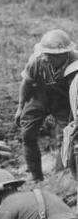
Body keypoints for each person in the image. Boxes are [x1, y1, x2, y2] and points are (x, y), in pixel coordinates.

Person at [14, 29, 78, 182]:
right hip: (39, 96)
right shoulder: (37, 60)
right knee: (27, 134)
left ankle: (61, 174)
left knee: (69, 135)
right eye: (45, 53)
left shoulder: (75, 62)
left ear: (63, 55)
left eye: (50, 55)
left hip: (64, 100)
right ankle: (36, 177)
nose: (46, 57)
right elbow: (26, 83)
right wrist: (20, 107)